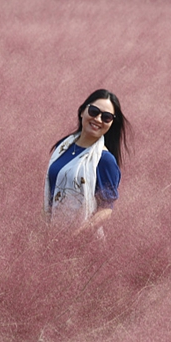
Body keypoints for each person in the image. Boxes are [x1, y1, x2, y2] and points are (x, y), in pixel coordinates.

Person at [44, 89, 128, 237]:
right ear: (82, 111)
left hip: (82, 241)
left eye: (106, 117)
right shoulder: (63, 146)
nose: (98, 119)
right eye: (94, 111)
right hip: (52, 233)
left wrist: (77, 236)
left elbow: (106, 208)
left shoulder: (104, 159)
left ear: (111, 123)